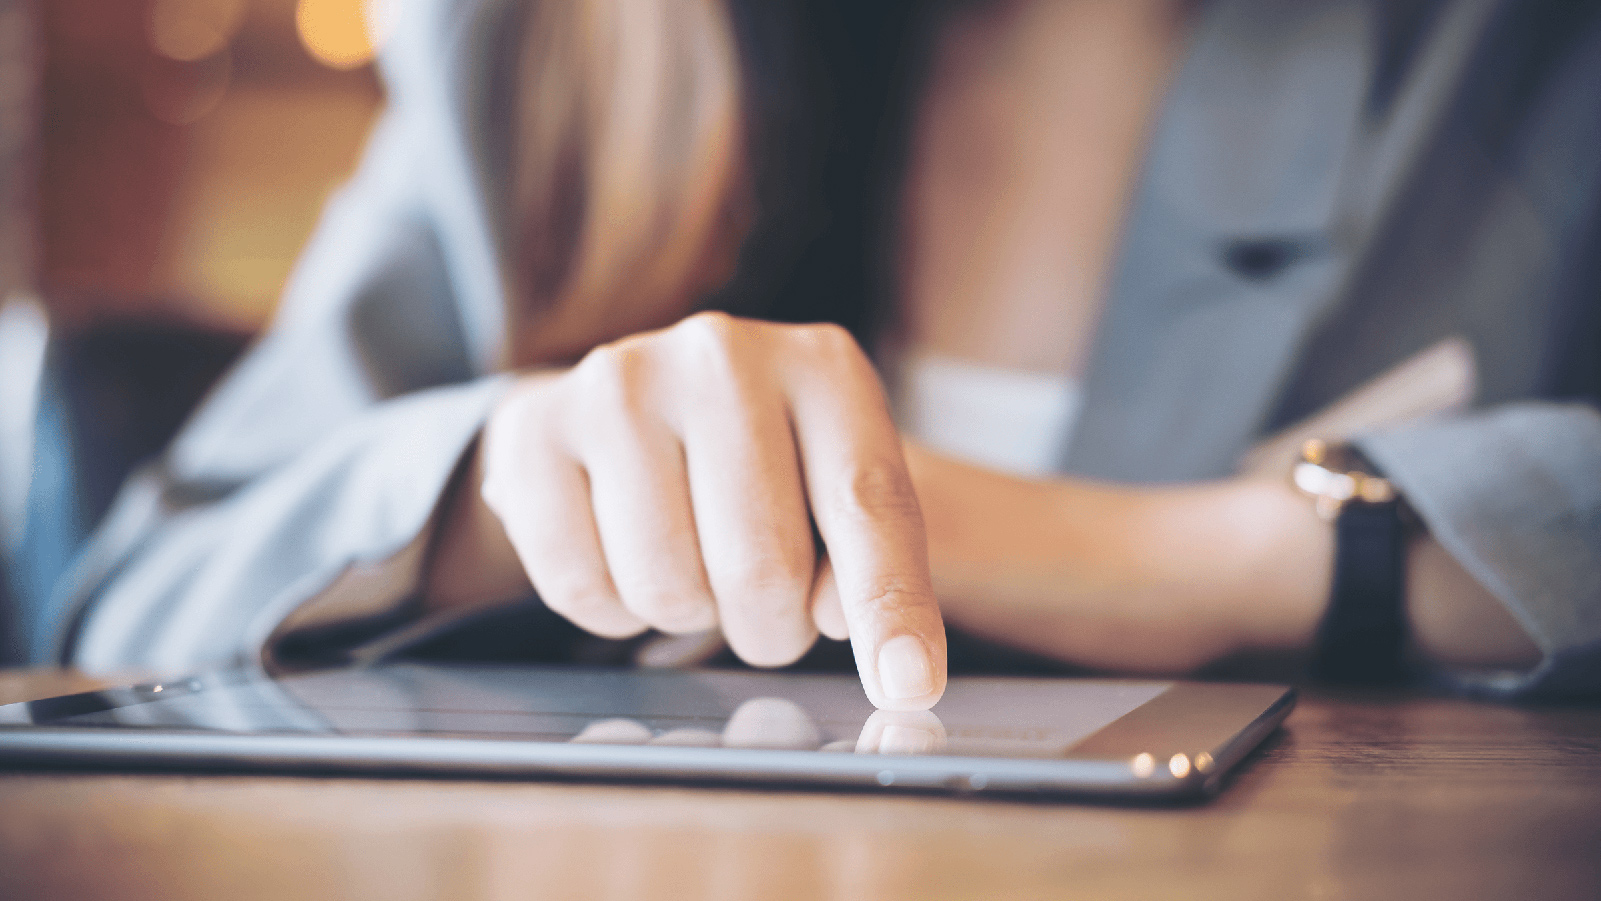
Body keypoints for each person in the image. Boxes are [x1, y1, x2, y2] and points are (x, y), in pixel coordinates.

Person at [31, 0, 1601, 706]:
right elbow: (129, 601)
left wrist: (1183, 553)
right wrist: (510, 472)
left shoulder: (1518, 55)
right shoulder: (528, 42)